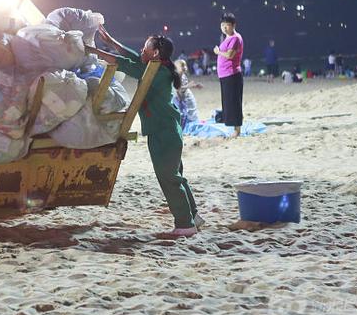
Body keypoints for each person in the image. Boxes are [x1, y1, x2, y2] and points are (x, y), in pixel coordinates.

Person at [89, 27, 198, 236]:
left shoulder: (155, 72)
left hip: (163, 133)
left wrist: (92, 51)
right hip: (166, 130)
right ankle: (193, 215)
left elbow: (124, 63)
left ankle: (186, 224)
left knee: (169, 178)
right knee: (176, 176)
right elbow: (132, 56)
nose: (142, 49)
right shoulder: (158, 66)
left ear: (155, 54)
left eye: (145, 48)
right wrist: (111, 41)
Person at [213, 12, 244, 137]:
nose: (224, 27)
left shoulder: (235, 38)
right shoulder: (227, 37)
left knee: (234, 102)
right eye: (222, 25)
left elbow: (230, 55)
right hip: (225, 75)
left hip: (232, 74)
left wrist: (218, 52)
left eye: (227, 25)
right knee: (228, 102)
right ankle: (234, 126)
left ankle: (237, 130)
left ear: (233, 25)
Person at [173, 59, 200, 129]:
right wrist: (189, 86)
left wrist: (194, 85)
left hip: (183, 98)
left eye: (185, 65)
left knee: (186, 113)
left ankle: (184, 126)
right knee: (180, 114)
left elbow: (183, 88)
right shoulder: (175, 76)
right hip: (177, 98)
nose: (184, 67)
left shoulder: (183, 76)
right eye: (182, 66)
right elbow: (177, 88)